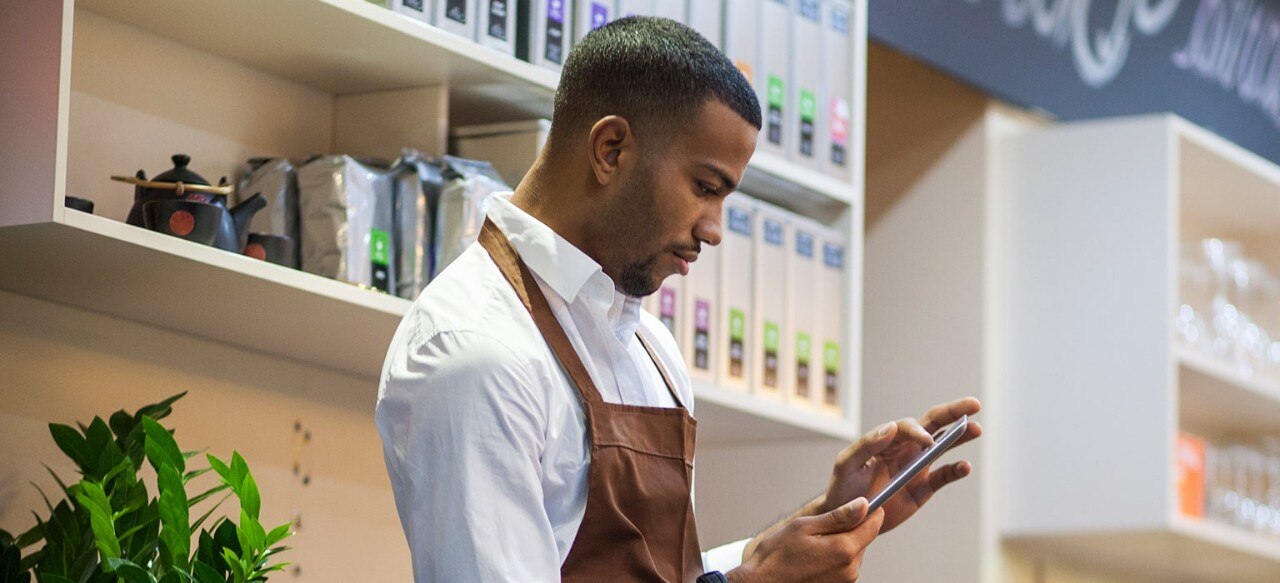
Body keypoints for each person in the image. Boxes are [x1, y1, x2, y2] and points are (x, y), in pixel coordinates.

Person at [375, 16, 983, 582]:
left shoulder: (651, 348)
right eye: (705, 187)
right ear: (610, 149)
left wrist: (829, 517)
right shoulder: (477, 349)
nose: (714, 229)